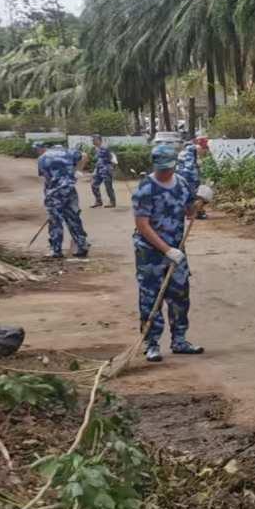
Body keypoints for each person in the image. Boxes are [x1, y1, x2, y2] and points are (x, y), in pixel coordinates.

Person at [131, 142, 209, 363]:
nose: (166, 172)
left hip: (177, 249)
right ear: (155, 165)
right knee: (150, 298)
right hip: (151, 252)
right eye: (162, 168)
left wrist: (200, 202)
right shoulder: (145, 188)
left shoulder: (182, 183)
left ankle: (180, 340)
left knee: (180, 296)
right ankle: (151, 343)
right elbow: (143, 225)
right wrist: (166, 250)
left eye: (169, 167)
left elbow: (188, 212)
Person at [34, 142, 90, 260]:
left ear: (42, 149)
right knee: (73, 218)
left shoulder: (42, 158)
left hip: (54, 193)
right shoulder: (69, 152)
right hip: (69, 191)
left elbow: (45, 177)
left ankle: (56, 250)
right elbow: (85, 155)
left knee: (55, 221)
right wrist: (77, 171)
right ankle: (82, 246)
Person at [177, 139, 209, 219]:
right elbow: (191, 168)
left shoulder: (183, 152)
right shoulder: (193, 150)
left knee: (186, 195)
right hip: (190, 177)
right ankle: (194, 213)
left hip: (181, 176)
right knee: (194, 195)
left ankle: (189, 212)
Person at [88, 136, 117, 208]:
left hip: (106, 170)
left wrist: (111, 168)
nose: (93, 141)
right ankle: (98, 201)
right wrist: (95, 170)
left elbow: (111, 158)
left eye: (94, 140)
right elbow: (98, 160)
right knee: (94, 185)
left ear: (99, 140)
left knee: (108, 186)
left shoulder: (105, 148)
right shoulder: (96, 149)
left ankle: (112, 202)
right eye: (93, 140)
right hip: (99, 170)